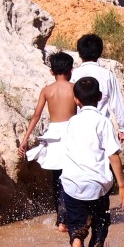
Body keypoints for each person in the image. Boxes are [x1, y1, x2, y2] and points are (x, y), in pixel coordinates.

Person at [60, 76, 124, 247]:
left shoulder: (72, 122)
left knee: (77, 224)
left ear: (76, 100)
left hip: (72, 185)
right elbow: (113, 156)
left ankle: (76, 241)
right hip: (97, 186)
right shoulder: (103, 122)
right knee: (100, 226)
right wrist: (123, 186)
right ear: (100, 97)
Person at [18, 52, 76, 231]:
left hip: (53, 136)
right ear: (71, 69)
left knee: (57, 179)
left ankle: (60, 219)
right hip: (71, 134)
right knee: (72, 177)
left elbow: (36, 116)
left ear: (52, 71)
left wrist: (25, 139)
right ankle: (70, 216)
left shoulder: (47, 90)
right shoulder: (74, 88)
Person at [71, 33, 124, 146]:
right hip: (101, 127)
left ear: (80, 53)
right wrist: (123, 128)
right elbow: (116, 102)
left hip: (78, 126)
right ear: (99, 52)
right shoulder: (107, 75)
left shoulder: (74, 75)